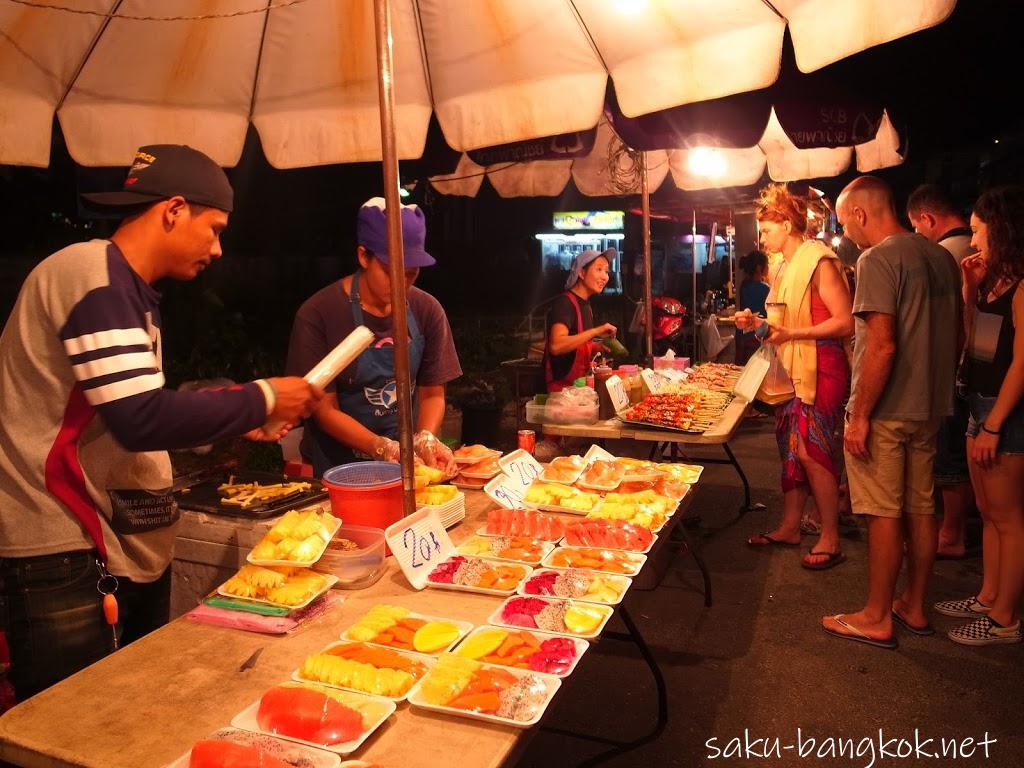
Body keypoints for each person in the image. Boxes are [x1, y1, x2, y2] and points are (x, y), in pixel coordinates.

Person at [0, 144, 323, 700]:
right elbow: (140, 418)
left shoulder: (125, 289)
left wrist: (228, 414)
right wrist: (262, 397)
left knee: (131, 714)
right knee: (75, 727)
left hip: (98, 540)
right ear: (174, 210)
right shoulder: (90, 274)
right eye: (215, 228)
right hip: (62, 547)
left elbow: (130, 403)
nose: (218, 249)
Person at [822, 175, 960, 649]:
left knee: (882, 513)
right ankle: (914, 606)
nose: (848, 233)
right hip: (930, 405)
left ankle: (876, 615)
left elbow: (881, 345)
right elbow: (957, 335)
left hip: (885, 408)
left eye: (846, 223)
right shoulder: (940, 256)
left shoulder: (878, 258)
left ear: (860, 214)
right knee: (922, 507)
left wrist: (859, 415)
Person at [287, 198, 462, 477]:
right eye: (390, 272)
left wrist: (426, 436)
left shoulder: (427, 310)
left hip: (411, 466)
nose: (401, 284)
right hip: (341, 467)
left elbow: (432, 394)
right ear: (363, 256)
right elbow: (323, 408)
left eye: (411, 274)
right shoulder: (319, 313)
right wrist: (381, 447)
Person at [740, 184, 853, 570]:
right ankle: (790, 526)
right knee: (791, 449)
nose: (763, 238)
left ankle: (830, 536)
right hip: (790, 367)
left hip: (822, 366)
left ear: (788, 224)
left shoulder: (820, 261)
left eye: (767, 230)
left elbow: (845, 321)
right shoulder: (785, 266)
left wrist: (792, 334)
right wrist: (755, 323)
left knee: (813, 449)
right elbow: (781, 323)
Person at [935, 185, 1024, 646]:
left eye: (977, 231)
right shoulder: (995, 281)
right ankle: (989, 596)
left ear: (1002, 229)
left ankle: (1006, 619)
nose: (972, 242)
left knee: (1008, 518)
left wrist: (993, 425)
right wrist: (971, 291)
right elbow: (979, 345)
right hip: (980, 406)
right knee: (989, 513)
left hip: (1005, 417)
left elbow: (1022, 365)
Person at [907, 183, 976, 559]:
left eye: (918, 228)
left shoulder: (942, 255)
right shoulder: (972, 247)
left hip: (954, 365)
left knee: (950, 454)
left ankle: (951, 533)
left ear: (927, 219)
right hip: (974, 364)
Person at [543, 247, 618, 392]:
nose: (605, 277)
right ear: (582, 273)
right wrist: (596, 331)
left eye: (607, 271)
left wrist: (597, 347)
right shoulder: (564, 303)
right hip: (559, 393)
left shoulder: (586, 305)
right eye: (599, 269)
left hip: (576, 390)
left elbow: (577, 343)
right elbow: (556, 345)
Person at [734, 249, 770, 366]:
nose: (768, 268)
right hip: (756, 337)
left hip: (742, 335)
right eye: (767, 265)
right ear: (760, 268)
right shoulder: (765, 288)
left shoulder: (744, 285)